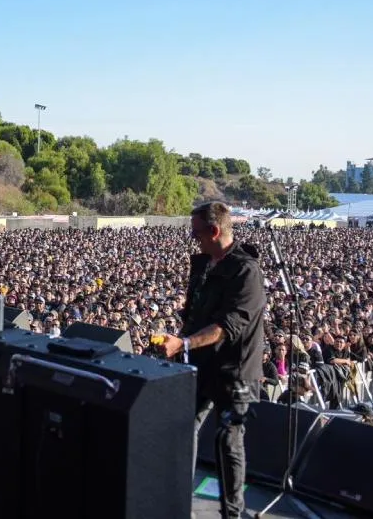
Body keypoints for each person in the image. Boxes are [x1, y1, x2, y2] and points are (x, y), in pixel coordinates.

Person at [156, 201, 266, 519]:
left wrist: (184, 343)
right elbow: (194, 313)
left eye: (197, 233)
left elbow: (228, 326)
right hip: (200, 362)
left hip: (237, 370)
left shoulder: (246, 271)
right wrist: (179, 339)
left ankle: (232, 513)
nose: (194, 239)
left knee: (228, 439)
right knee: (182, 426)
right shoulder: (204, 264)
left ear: (215, 231)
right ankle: (177, 501)